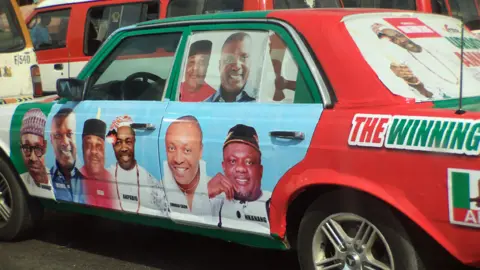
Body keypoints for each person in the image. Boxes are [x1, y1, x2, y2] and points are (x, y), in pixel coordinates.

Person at [371, 23, 465, 100]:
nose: (401, 40)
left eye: (399, 35)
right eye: (394, 40)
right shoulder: (405, 62)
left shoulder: (435, 46)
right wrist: (412, 81)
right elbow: (429, 95)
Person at [208, 124, 271, 234]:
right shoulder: (214, 202)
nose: (241, 168)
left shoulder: (272, 205)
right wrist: (205, 193)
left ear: (260, 170)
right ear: (224, 167)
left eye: (249, 162)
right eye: (232, 161)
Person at [106, 115, 169, 216]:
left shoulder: (150, 181)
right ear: (113, 145)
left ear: (134, 142)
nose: (124, 148)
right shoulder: (106, 176)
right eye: (118, 142)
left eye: (128, 141)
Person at [163, 115, 217, 221]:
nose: (178, 160)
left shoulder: (220, 192)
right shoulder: (156, 192)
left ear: (200, 151)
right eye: (171, 148)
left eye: (187, 150)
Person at [205, 32, 257, 102]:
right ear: (220, 65)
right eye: (229, 59)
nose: (236, 67)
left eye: (244, 57)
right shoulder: (205, 106)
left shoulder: (263, 102)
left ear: (250, 64)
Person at [80, 118, 119, 210]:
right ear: (82, 148)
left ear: (104, 150)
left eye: (98, 146)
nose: (94, 151)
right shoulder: (76, 179)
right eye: (88, 145)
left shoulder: (113, 182)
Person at [49, 108, 85, 203]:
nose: (65, 142)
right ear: (51, 139)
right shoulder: (47, 178)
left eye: (69, 134)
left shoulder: (93, 177)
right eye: (57, 135)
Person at [19, 108, 53, 197]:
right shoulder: (19, 182)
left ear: (47, 148)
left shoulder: (61, 180)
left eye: (38, 148)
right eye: (26, 148)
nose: (32, 158)